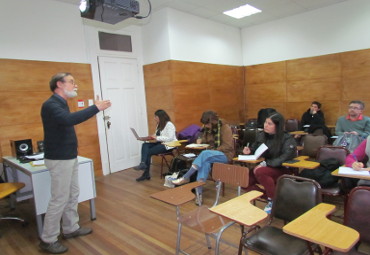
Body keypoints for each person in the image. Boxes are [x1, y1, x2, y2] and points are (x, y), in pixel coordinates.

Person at [39, 72, 111, 254]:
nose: (75, 85)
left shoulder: (61, 104)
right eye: (71, 82)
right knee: (59, 199)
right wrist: (96, 107)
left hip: (69, 157)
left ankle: (71, 228)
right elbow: (68, 120)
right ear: (59, 84)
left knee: (72, 194)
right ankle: (48, 239)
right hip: (59, 159)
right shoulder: (51, 105)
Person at [171, 111, 234, 205]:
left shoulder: (225, 128)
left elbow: (228, 146)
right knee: (205, 163)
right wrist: (200, 140)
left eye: (208, 124)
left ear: (214, 121)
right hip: (210, 154)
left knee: (205, 154)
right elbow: (205, 139)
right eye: (205, 124)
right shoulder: (207, 128)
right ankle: (199, 194)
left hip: (225, 155)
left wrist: (214, 150)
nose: (207, 126)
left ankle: (186, 177)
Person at [242, 112, 297, 213]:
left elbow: (285, 157)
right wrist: (249, 150)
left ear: (278, 126)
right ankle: (271, 198)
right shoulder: (262, 135)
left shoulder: (287, 139)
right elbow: (255, 148)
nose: (265, 125)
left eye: (270, 124)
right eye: (265, 122)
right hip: (267, 167)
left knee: (260, 171)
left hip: (282, 168)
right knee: (243, 179)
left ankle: (272, 200)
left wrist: (266, 164)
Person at [134, 109, 177, 182]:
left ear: (160, 117)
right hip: (160, 143)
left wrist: (156, 137)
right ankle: (143, 164)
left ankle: (145, 173)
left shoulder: (169, 124)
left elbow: (170, 138)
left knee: (148, 152)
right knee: (145, 145)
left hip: (168, 145)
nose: (154, 118)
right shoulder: (159, 125)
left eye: (155, 117)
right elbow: (157, 135)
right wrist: (148, 137)